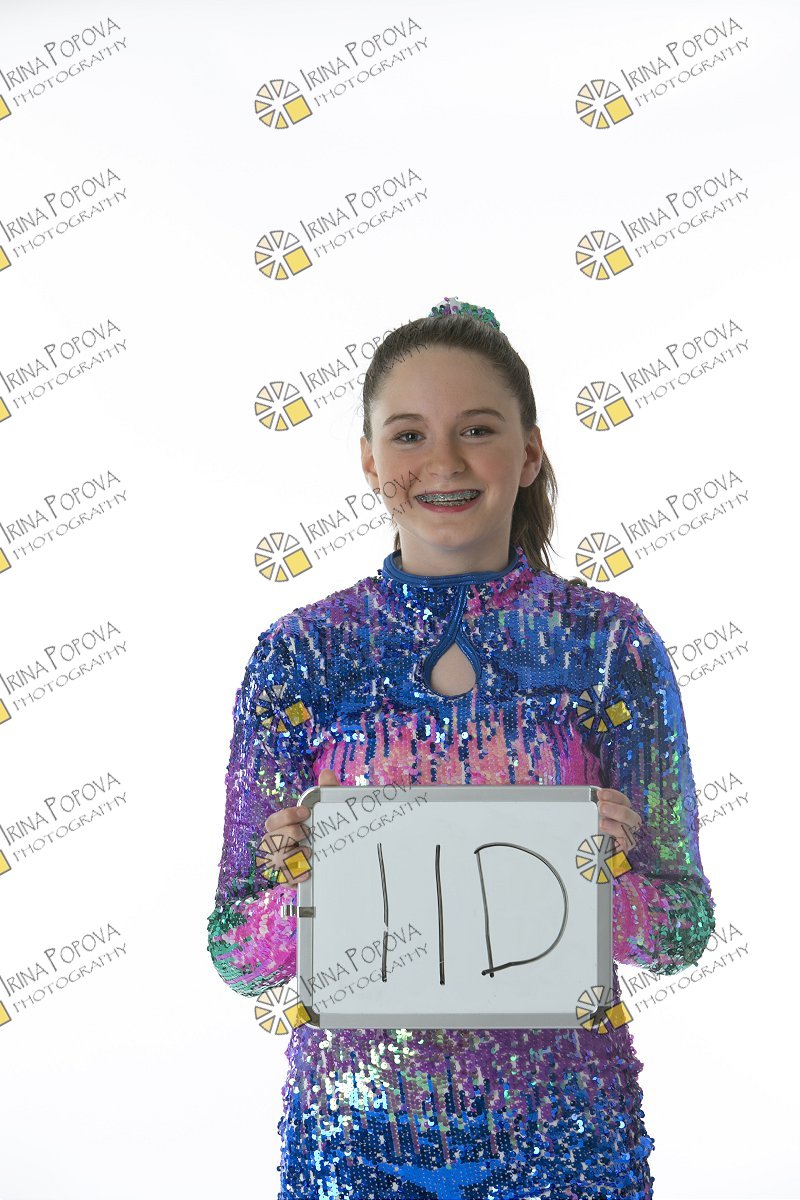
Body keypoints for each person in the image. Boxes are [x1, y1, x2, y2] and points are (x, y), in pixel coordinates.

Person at [206, 296, 716, 1200]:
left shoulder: (607, 643)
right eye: (408, 435)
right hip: (352, 1147)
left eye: (477, 429)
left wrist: (600, 881)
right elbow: (236, 955)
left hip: (568, 1140)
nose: (443, 461)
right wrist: (305, 891)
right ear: (370, 461)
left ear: (529, 452)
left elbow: (682, 929)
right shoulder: (304, 654)